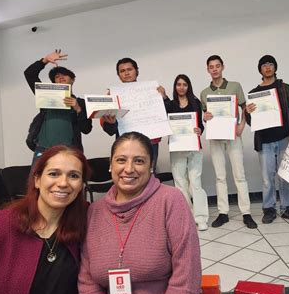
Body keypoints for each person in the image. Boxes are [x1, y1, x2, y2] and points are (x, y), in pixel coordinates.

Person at [0, 146, 91, 294]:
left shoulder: (88, 222)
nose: (63, 183)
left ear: (81, 185)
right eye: (53, 174)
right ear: (37, 180)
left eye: (74, 176)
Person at [78, 132, 201, 294]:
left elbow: (187, 270)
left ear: (151, 166)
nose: (129, 169)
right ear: (111, 165)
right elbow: (87, 278)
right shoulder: (94, 212)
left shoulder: (170, 200)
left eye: (139, 161)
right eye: (121, 160)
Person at [245, 55, 289, 224]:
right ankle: (269, 208)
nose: (268, 67)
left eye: (271, 64)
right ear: (260, 69)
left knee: (286, 175)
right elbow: (251, 122)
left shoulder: (285, 88)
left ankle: (288, 208)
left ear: (275, 67)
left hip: (284, 137)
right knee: (267, 177)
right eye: (264, 65)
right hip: (264, 140)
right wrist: (248, 113)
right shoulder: (254, 94)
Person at [200, 55, 257, 229]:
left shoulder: (235, 86)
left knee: (240, 175)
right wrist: (205, 117)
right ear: (208, 70)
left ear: (223, 67)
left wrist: (241, 126)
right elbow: (205, 116)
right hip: (216, 137)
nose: (215, 69)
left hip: (233, 136)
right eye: (211, 67)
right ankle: (223, 213)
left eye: (218, 66)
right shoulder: (204, 93)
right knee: (220, 176)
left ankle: (246, 213)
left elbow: (244, 108)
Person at [24, 49, 92, 163]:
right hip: (43, 149)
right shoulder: (45, 96)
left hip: (70, 150)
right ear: (54, 83)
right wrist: (44, 60)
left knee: (70, 179)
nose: (60, 77)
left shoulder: (81, 103)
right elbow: (29, 74)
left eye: (64, 75)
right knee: (37, 179)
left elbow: (86, 129)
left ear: (73, 80)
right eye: (56, 77)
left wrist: (78, 109)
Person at [101, 57, 166, 173]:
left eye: (129, 69)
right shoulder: (112, 95)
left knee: (149, 175)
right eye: (122, 71)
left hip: (149, 142)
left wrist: (164, 97)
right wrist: (110, 122)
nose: (126, 73)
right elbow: (109, 130)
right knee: (126, 175)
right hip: (125, 143)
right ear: (118, 75)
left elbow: (166, 114)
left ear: (137, 71)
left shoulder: (152, 90)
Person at [164, 74, 209, 231]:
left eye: (184, 84)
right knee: (180, 184)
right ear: (175, 87)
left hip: (194, 147)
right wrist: (163, 97)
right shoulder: (169, 105)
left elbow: (200, 125)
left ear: (188, 86)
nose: (181, 87)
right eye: (178, 84)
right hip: (176, 148)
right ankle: (187, 217)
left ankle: (201, 217)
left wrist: (199, 129)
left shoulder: (195, 102)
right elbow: (163, 121)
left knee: (195, 182)